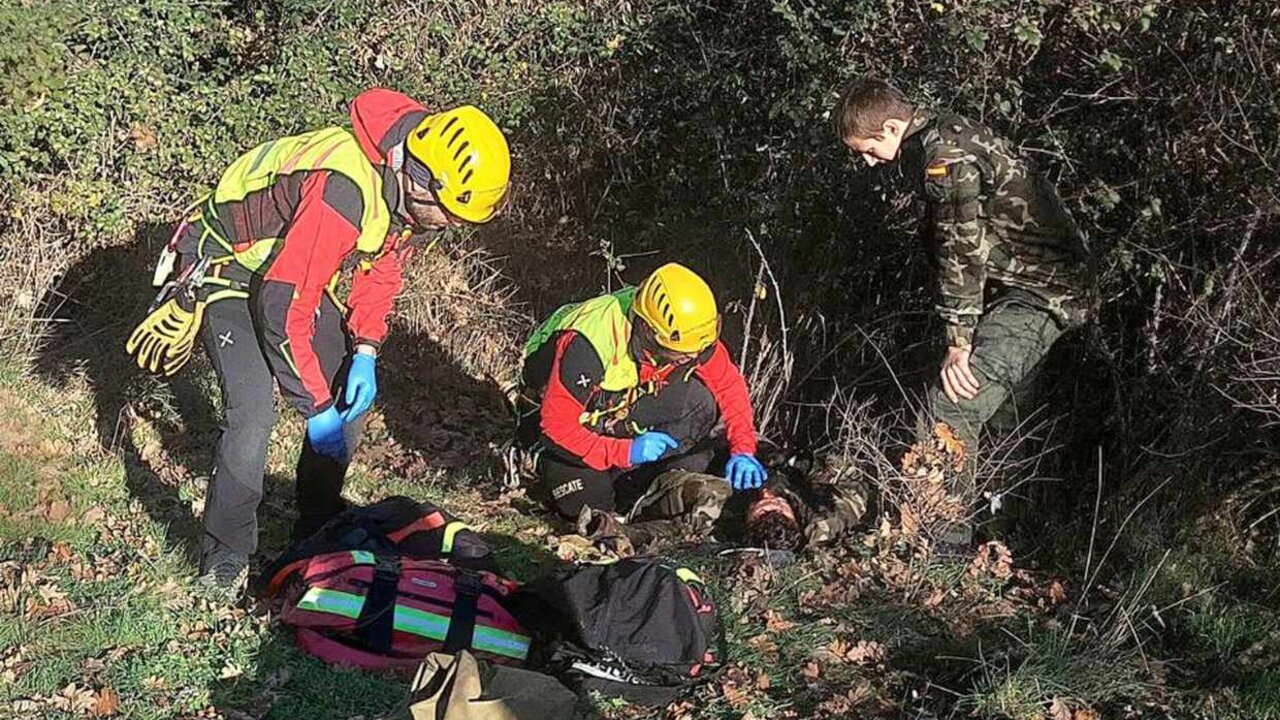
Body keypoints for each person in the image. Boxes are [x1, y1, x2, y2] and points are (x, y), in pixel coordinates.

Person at [126, 88, 511, 596]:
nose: (451, 228)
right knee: (252, 416)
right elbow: (282, 310)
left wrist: (366, 351)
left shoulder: (406, 180)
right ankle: (224, 558)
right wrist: (314, 408)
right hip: (229, 266)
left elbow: (383, 269)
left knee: (348, 403)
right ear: (422, 184)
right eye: (451, 217)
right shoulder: (345, 189)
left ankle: (318, 526)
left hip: (289, 266)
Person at [834, 79, 1092, 547]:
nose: (867, 161)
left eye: (869, 147)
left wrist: (959, 342)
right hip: (1026, 290)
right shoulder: (941, 132)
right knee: (1002, 419)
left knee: (950, 407)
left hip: (1038, 295)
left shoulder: (946, 157)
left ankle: (942, 547)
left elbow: (960, 251)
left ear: (893, 126)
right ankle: (997, 545)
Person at [515, 263, 767, 526]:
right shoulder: (589, 341)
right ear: (649, 332)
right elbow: (556, 427)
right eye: (681, 351)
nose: (693, 356)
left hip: (617, 407)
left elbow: (728, 386)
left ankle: (641, 481)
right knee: (594, 511)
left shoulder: (690, 335)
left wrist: (743, 449)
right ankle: (539, 462)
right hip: (561, 426)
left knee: (700, 403)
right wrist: (626, 452)